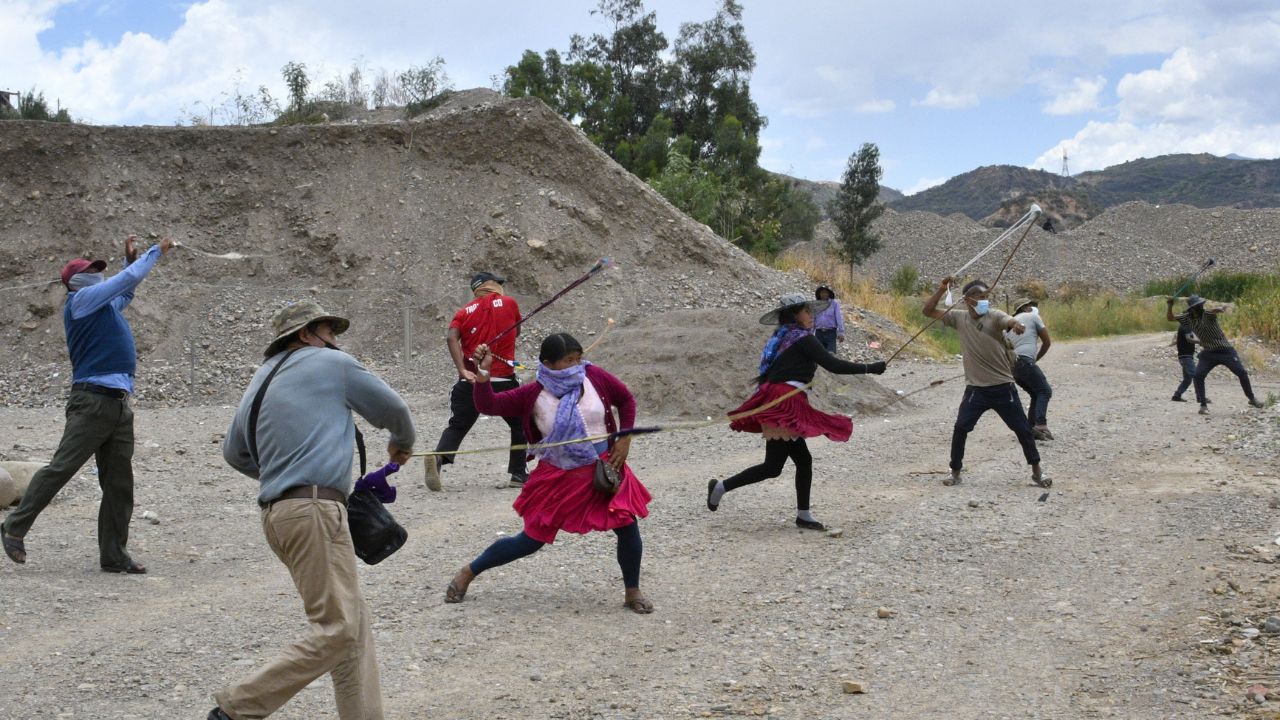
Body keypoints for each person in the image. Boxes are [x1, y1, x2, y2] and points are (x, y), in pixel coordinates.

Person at [210, 300, 415, 720]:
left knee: (352, 630)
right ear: (307, 334)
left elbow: (234, 453)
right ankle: (237, 709)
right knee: (338, 630)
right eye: (330, 333)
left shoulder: (259, 379)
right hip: (315, 512)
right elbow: (393, 409)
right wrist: (403, 443)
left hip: (279, 515)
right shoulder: (330, 364)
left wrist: (285, 476)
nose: (335, 342)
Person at [443, 333, 654, 613]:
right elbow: (488, 406)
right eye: (568, 361)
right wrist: (483, 373)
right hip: (559, 476)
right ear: (548, 364)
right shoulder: (533, 394)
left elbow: (626, 400)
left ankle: (632, 591)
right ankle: (469, 572)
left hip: (605, 468)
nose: (577, 365)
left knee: (627, 524)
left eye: (578, 358)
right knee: (531, 540)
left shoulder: (594, 376)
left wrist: (625, 437)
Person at [2, 235, 173, 572]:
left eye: (98, 271)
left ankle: (114, 555)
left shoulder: (102, 304)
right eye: (90, 272)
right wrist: (156, 253)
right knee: (62, 468)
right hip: (92, 401)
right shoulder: (80, 301)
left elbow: (124, 290)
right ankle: (14, 526)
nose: (96, 275)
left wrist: (130, 259)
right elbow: (127, 281)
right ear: (75, 283)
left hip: (119, 404)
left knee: (119, 483)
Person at [706, 292, 886, 531]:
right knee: (774, 466)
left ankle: (803, 514)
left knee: (800, 460)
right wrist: (870, 367)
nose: (811, 315)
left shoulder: (784, 338)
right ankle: (721, 487)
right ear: (795, 314)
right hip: (784, 403)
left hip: (779, 398)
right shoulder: (802, 338)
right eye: (807, 311)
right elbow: (833, 365)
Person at [923, 278, 1048, 488]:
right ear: (968, 300)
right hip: (976, 390)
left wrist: (1017, 325)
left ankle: (1037, 472)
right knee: (961, 428)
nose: (985, 301)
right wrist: (941, 289)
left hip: (1003, 387)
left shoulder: (995, 315)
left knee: (1023, 430)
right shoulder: (958, 318)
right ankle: (955, 473)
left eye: (986, 297)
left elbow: (1010, 321)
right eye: (981, 298)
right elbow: (928, 311)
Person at [431, 271, 528, 489]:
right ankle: (519, 474)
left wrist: (462, 370)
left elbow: (451, 337)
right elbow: (517, 331)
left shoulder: (464, 311)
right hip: (503, 379)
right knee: (520, 424)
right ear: (490, 285)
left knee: (458, 425)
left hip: (471, 381)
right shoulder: (510, 303)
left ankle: (439, 457)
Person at [1166, 295, 1265, 415]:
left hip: (1225, 350)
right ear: (1191, 308)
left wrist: (1219, 309)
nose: (1200, 307)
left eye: (1200, 305)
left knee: (1242, 373)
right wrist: (1170, 305)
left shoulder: (1207, 314)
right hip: (1209, 353)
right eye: (1197, 306)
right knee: (1198, 376)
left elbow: (1213, 310)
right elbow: (1170, 318)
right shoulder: (1187, 318)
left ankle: (1252, 398)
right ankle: (1203, 406)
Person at [1005, 298, 1054, 441]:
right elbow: (1047, 342)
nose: (1033, 308)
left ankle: (1030, 428)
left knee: (1035, 393)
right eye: (1031, 306)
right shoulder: (1033, 316)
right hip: (1025, 361)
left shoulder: (1009, 325)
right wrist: (1036, 359)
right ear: (1026, 307)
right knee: (1045, 391)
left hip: (1013, 367)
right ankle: (1040, 425)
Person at [1170, 312, 1199, 402]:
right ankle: (1200, 397)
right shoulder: (1185, 327)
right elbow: (1189, 339)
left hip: (1185, 357)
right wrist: (1200, 342)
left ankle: (1177, 395)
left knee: (1187, 379)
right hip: (1186, 357)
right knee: (1196, 376)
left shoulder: (1185, 327)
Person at [812, 284, 845, 354]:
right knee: (818, 354)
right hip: (819, 333)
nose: (824, 294)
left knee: (830, 354)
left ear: (829, 294)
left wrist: (841, 332)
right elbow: (813, 320)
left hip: (831, 333)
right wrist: (810, 333)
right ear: (819, 294)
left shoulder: (834, 304)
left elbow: (839, 318)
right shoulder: (816, 305)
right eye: (822, 292)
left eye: (826, 292)